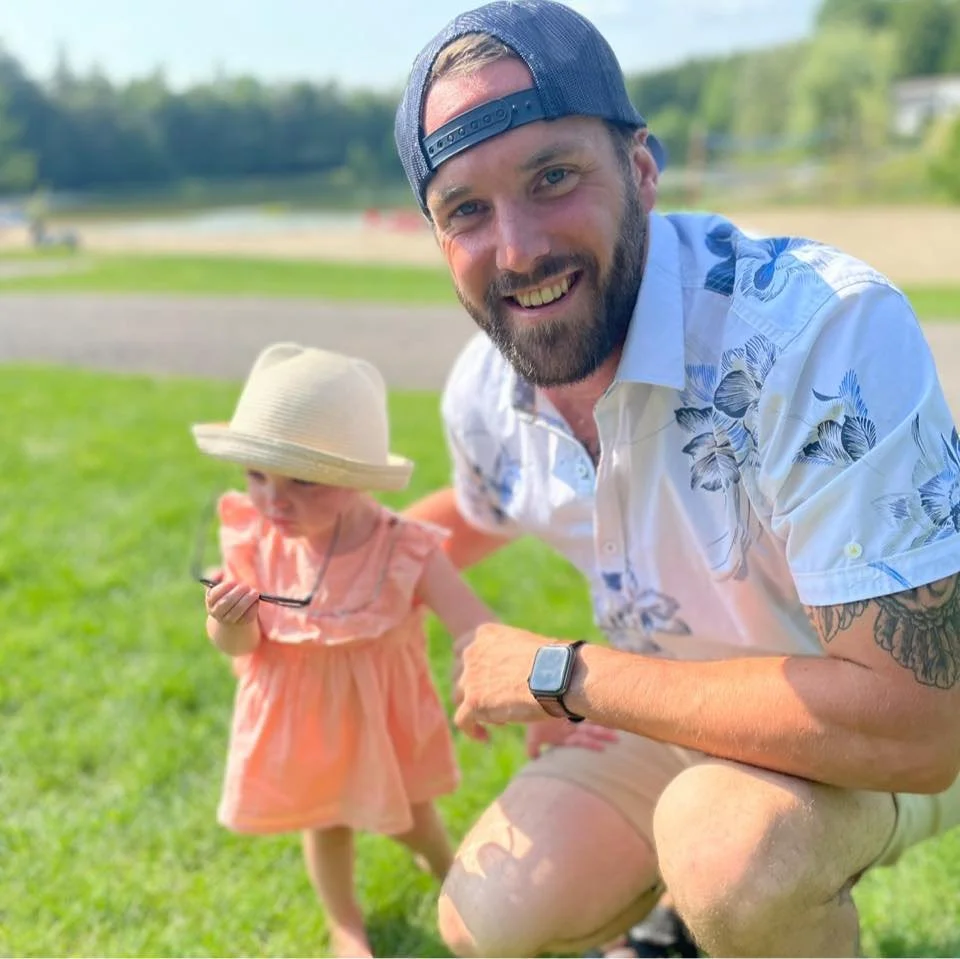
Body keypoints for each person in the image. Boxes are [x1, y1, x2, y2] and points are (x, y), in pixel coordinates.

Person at [392, 2, 960, 957]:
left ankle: (718, 900)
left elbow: (918, 725)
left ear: (642, 169)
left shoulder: (816, 332)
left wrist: (564, 676)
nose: (518, 249)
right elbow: (480, 508)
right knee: (485, 916)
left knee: (732, 854)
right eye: (466, 211)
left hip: (889, 713)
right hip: (666, 714)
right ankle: (687, 921)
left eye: (553, 177)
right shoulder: (489, 390)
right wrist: (334, 555)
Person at [190, 342, 497, 959]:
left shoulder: (401, 548)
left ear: (357, 477)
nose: (274, 501)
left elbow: (474, 624)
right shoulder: (256, 540)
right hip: (305, 719)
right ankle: (344, 923)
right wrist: (228, 622)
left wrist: (480, 674)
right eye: (257, 476)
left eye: (303, 481)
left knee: (414, 815)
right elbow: (240, 648)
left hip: (383, 717)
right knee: (326, 820)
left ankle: (449, 874)